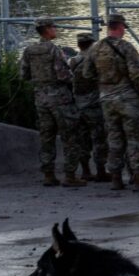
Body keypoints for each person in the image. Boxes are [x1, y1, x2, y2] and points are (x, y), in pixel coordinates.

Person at [81, 13, 139, 191]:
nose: (124, 30)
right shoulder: (126, 47)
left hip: (107, 100)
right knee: (136, 138)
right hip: (128, 100)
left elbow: (87, 74)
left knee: (114, 138)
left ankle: (116, 178)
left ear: (108, 27)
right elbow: (136, 75)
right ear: (120, 26)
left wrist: (105, 84)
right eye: (124, 27)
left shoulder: (95, 48)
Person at [20, 17, 86, 187]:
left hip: (40, 99)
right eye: (53, 27)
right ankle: (70, 175)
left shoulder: (29, 50)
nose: (56, 29)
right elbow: (63, 75)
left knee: (46, 136)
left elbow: (24, 75)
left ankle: (48, 174)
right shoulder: (54, 50)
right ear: (47, 29)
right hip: (60, 99)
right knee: (70, 136)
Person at [68, 32, 109, 182]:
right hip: (94, 104)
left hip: (78, 104)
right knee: (99, 138)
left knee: (82, 139)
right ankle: (100, 171)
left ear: (78, 45)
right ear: (92, 44)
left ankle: (85, 170)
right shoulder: (95, 61)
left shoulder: (73, 61)